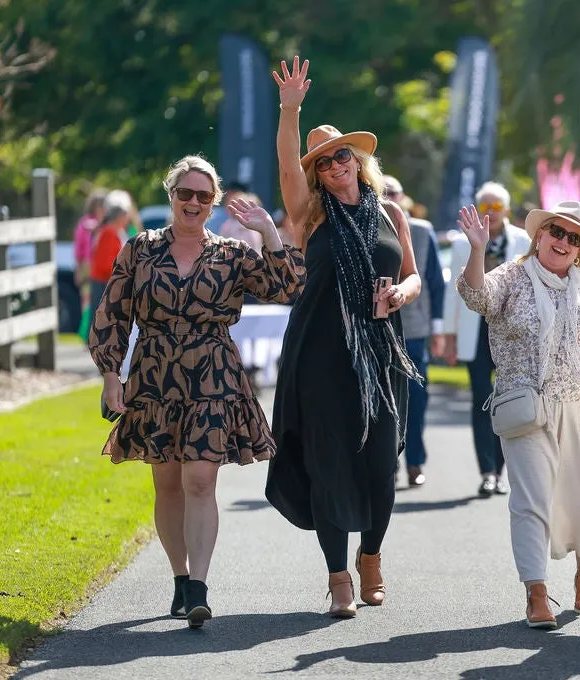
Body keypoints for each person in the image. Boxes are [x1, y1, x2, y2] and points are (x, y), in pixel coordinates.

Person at [89, 154, 306, 629]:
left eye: (203, 196)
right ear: (171, 196)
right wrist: (111, 375)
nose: (193, 202)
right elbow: (112, 314)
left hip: (213, 376)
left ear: (213, 203)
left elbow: (288, 286)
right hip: (154, 377)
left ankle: (199, 588)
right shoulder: (139, 249)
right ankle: (180, 577)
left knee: (201, 481)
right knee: (167, 483)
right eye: (184, 193)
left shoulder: (230, 252)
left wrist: (270, 232)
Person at [265, 57, 423, 619]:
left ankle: (371, 558)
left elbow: (413, 274)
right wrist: (291, 110)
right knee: (328, 462)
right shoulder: (310, 213)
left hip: (380, 352)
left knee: (381, 464)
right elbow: (287, 165)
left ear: (357, 160)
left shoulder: (391, 214)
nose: (334, 164)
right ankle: (337, 578)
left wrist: (401, 295)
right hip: (322, 354)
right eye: (324, 161)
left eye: (341, 155)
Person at [456, 200, 580, 629]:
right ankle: (537, 592)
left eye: (573, 237)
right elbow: (474, 296)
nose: (562, 241)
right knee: (530, 501)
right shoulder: (511, 276)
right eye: (556, 232)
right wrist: (476, 249)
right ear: (539, 235)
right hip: (526, 405)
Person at [443, 181, 531, 497]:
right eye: (485, 207)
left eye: (496, 208)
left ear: (506, 210)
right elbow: (453, 295)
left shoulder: (523, 241)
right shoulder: (460, 245)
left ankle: (503, 469)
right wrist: (449, 336)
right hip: (474, 331)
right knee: (482, 401)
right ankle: (487, 471)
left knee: (508, 401)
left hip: (510, 334)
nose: (491, 213)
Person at [384, 174, 445, 487]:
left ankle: (415, 462)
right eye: (380, 193)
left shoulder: (421, 231)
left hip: (415, 329)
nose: (387, 198)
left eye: (392, 193)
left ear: (403, 197)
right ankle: (388, 464)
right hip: (379, 329)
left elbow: (434, 281)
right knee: (384, 400)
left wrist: (438, 330)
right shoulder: (367, 226)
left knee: (417, 399)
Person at [87, 203, 131, 319]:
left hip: (107, 281)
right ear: (119, 217)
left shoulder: (115, 232)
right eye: (125, 217)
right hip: (102, 282)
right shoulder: (109, 233)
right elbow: (106, 264)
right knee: (100, 319)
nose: (127, 220)